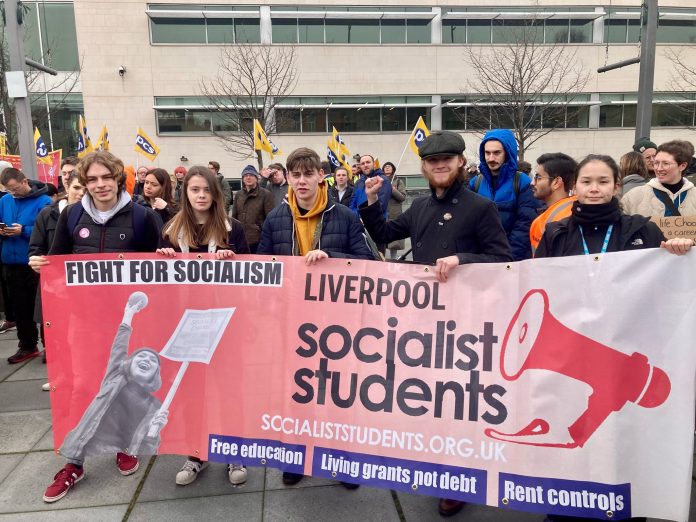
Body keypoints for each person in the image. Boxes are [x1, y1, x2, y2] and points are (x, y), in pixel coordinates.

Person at [360, 130, 511, 517]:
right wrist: (373, 201)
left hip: (466, 324)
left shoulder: (481, 207)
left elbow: (503, 259)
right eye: (431, 161)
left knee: (458, 401)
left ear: (460, 162)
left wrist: (463, 259)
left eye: (446, 159)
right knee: (430, 400)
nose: (439, 165)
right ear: (424, 167)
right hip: (425, 321)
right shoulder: (421, 207)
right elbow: (383, 234)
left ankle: (458, 479)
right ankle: (437, 469)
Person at [535, 155, 691, 522]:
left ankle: (622, 505)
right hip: (571, 355)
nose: (594, 189)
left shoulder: (642, 230)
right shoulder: (557, 234)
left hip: (625, 349)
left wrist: (676, 255)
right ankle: (565, 507)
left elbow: (663, 291)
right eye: (587, 181)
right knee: (572, 445)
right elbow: (536, 285)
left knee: (620, 443)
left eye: (603, 181)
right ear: (574, 186)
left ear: (616, 186)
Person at [31, 150, 164, 503]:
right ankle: (73, 461)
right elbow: (57, 262)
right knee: (79, 387)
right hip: (83, 322)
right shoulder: (72, 215)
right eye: (92, 179)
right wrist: (40, 264)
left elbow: (157, 271)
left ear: (118, 178)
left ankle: (124, 445)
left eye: (107, 177)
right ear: (84, 183)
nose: (100, 185)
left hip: (128, 322)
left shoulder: (142, 217)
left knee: (126, 389)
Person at [258, 146, 375, 486]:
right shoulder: (276, 219)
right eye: (296, 175)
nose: (302, 181)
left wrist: (332, 257)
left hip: (337, 323)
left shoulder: (346, 217)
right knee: (296, 394)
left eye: (308, 174)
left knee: (339, 394)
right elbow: (264, 266)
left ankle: (344, 460)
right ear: (289, 179)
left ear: (320, 177)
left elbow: (368, 262)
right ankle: (296, 457)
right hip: (291, 322)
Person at [156, 165, 250, 486]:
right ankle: (196, 454)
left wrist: (233, 260)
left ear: (215, 194)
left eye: (206, 190)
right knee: (192, 391)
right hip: (186, 324)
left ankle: (233, 451)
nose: (200, 196)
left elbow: (253, 277)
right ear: (185, 193)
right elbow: (157, 282)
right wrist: (162, 258)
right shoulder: (170, 230)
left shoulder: (232, 228)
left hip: (224, 322)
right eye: (194, 190)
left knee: (228, 391)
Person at [43, 292, 168, 503]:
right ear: (129, 363)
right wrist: (128, 315)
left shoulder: (154, 405)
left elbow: (150, 443)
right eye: (141, 355)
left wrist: (156, 429)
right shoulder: (116, 376)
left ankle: (124, 449)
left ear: (156, 374)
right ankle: (73, 466)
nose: (146, 359)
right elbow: (120, 346)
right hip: (89, 436)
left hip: (124, 438)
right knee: (80, 393)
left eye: (152, 360)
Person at [29, 172, 85, 370]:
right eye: (77, 188)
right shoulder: (47, 214)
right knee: (55, 337)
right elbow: (36, 248)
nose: (80, 193)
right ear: (67, 187)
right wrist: (36, 261)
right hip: (54, 288)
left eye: (85, 190)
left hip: (82, 291)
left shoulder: (91, 217)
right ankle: (59, 378)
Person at [0, 168, 52, 364]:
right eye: (8, 190)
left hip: (35, 263)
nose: (12, 193)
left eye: (14, 188)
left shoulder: (44, 202)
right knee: (21, 308)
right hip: (11, 262)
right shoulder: (4, 201)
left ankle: (50, 345)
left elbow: (47, 232)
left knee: (44, 308)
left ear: (24, 182)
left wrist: (23, 231)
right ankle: (27, 345)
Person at [469, 129, 541, 260]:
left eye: (497, 153)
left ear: (508, 153)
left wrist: (508, 257)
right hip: (482, 259)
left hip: (513, 259)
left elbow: (525, 224)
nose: (491, 158)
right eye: (487, 153)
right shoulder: (475, 183)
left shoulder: (523, 182)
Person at [622, 140, 696, 218]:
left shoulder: (694, 195)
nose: (659, 168)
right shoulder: (633, 196)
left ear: (682, 166)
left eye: (666, 163)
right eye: (656, 163)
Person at [529, 153, 578, 256]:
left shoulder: (544, 222)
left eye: (538, 177)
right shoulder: (579, 209)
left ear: (556, 182)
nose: (532, 183)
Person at [231, 165, 274, 254]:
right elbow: (234, 217)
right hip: (240, 239)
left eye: (251, 175)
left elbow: (270, 218)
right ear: (242, 178)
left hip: (258, 240)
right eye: (245, 175)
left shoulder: (265, 194)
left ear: (257, 178)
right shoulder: (239, 194)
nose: (248, 177)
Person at [349, 154, 391, 219]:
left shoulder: (382, 180)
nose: (365, 165)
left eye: (368, 162)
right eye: (362, 163)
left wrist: (365, 218)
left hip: (376, 223)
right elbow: (352, 203)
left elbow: (381, 206)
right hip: (358, 223)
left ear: (374, 164)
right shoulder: (358, 182)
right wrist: (357, 217)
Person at [382, 161, 407, 260]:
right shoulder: (380, 180)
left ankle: (393, 258)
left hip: (394, 213)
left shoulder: (398, 181)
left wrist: (392, 189)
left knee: (393, 239)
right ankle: (381, 258)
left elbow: (402, 197)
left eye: (389, 166)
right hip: (382, 213)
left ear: (393, 169)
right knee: (381, 238)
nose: (387, 168)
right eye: (385, 167)